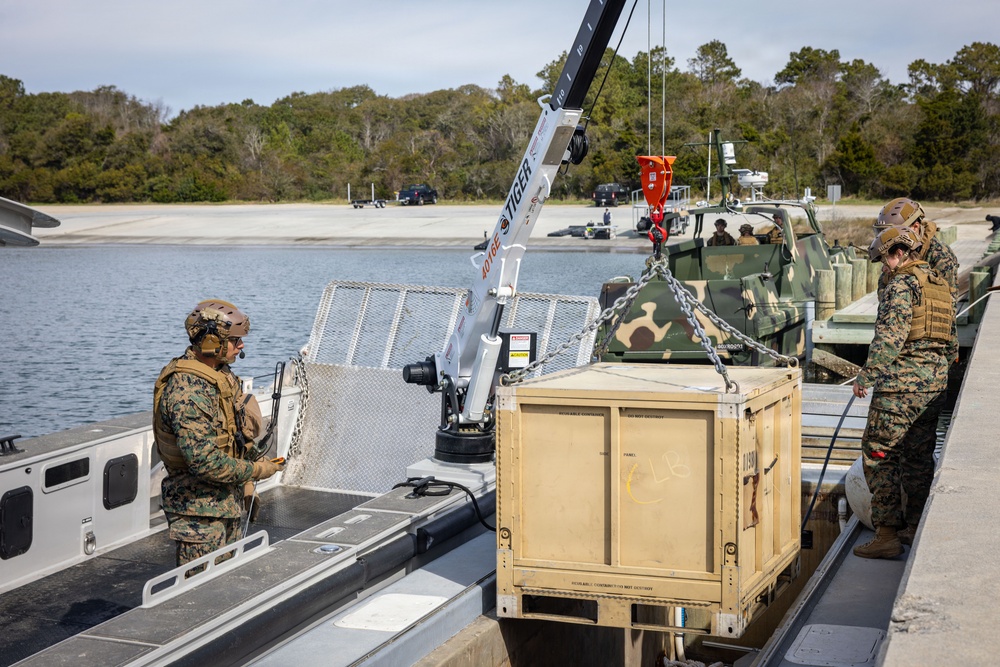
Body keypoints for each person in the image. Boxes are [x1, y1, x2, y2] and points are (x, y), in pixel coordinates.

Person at [153, 299, 283, 570]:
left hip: (226, 503)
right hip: (199, 514)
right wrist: (256, 471)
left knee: (227, 580)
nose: (241, 346)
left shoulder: (219, 375)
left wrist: (247, 482)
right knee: (200, 589)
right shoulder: (188, 392)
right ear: (212, 343)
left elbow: (233, 436)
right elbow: (205, 462)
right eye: (235, 340)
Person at [851, 227, 957, 559]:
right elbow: (952, 345)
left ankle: (886, 535)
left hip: (898, 388)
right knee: (918, 458)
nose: (884, 267)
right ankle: (913, 526)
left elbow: (890, 338)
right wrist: (933, 373)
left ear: (899, 254)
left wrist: (866, 376)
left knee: (879, 454)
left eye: (884, 260)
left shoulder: (901, 285)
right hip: (933, 387)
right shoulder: (940, 286)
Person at [873, 197, 959, 301]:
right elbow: (884, 281)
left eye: (895, 232)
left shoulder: (940, 255)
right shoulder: (898, 248)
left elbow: (949, 300)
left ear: (915, 227)